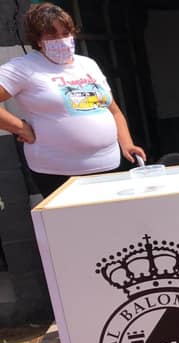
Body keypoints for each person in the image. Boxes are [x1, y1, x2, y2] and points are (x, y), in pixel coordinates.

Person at [0, 2, 146, 197]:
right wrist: (20, 128)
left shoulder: (88, 64)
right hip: (58, 172)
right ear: (38, 40)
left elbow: (114, 111)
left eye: (66, 33)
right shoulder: (23, 67)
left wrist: (127, 144)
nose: (62, 40)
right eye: (52, 35)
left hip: (109, 165)